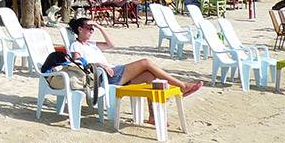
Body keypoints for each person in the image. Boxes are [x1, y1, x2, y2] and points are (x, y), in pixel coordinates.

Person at [67, 17, 203, 96]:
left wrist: (100, 27)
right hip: (104, 76)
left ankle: (152, 117)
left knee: (150, 76)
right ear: (80, 29)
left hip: (113, 71)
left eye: (93, 29)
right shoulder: (76, 45)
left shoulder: (92, 44)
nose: (91, 31)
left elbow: (111, 44)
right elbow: (78, 63)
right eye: (89, 28)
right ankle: (182, 85)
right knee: (145, 62)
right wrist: (99, 65)